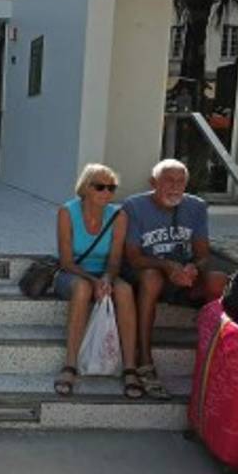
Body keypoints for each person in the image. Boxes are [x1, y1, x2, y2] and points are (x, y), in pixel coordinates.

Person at [122, 158, 228, 399]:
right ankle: (144, 360)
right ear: (153, 182)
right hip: (148, 272)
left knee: (219, 281)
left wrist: (192, 268)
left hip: (181, 276)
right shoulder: (134, 206)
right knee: (151, 278)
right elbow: (133, 257)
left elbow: (203, 254)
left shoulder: (196, 207)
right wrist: (167, 266)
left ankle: (216, 359)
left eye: (181, 182)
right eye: (168, 180)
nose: (175, 187)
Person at [52, 164, 141, 399]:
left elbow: (115, 259)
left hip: (104, 273)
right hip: (74, 274)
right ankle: (70, 365)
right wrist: (93, 281)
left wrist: (107, 278)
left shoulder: (118, 216)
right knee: (81, 289)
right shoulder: (67, 212)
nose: (106, 192)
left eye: (111, 188)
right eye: (100, 187)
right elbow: (67, 261)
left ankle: (130, 367)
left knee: (125, 291)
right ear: (86, 188)